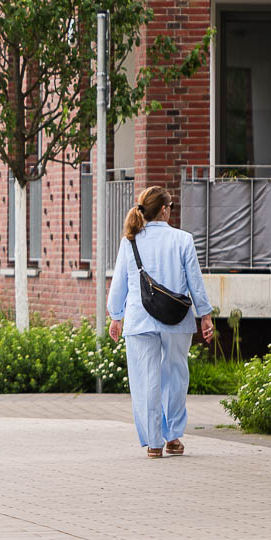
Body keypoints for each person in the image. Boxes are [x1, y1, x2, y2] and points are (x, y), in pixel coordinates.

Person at [107, 185, 215, 458]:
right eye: (170, 207)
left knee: (146, 380)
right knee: (176, 376)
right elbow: (195, 282)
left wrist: (115, 316)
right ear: (165, 210)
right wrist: (205, 316)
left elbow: (119, 282)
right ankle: (174, 437)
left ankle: (154, 442)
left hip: (139, 319)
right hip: (176, 319)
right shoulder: (183, 239)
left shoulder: (129, 241)